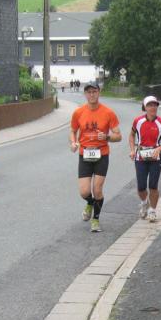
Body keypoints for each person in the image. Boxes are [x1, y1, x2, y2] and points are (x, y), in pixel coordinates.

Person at [70, 81, 122, 232]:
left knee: (97, 189)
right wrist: (73, 142)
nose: (91, 95)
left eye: (94, 92)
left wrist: (107, 137)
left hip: (101, 154)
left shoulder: (108, 113)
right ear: (85, 94)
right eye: (89, 92)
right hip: (84, 154)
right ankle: (90, 203)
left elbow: (118, 136)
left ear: (99, 93)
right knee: (84, 191)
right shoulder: (78, 112)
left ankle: (95, 219)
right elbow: (72, 131)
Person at [129, 96, 161, 223]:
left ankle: (152, 210)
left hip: (156, 157)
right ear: (145, 107)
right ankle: (144, 202)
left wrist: (159, 148)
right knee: (141, 186)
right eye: (150, 105)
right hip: (140, 156)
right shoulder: (138, 121)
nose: (153, 107)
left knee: (153, 185)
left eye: (155, 105)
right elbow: (131, 135)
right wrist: (132, 150)